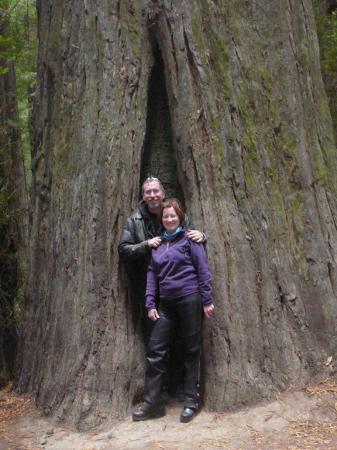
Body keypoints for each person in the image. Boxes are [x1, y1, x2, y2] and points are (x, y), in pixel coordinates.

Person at [132, 198, 214, 423]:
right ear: (162, 219)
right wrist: (150, 303)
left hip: (190, 299)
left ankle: (191, 401)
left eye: (173, 216)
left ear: (180, 218)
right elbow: (151, 275)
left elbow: (203, 270)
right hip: (165, 305)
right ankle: (153, 403)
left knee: (191, 349)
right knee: (155, 350)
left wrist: (207, 300)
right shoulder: (158, 244)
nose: (169, 219)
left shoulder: (190, 240)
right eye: (166, 216)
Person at [118, 177, 205, 342]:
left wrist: (203, 236)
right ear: (143, 196)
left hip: (179, 284)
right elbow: (124, 249)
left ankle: (180, 367)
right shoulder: (134, 220)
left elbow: (192, 240)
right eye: (148, 192)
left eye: (155, 191)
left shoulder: (175, 214)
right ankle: (159, 367)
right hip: (149, 286)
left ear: (163, 193)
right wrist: (146, 244)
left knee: (182, 334)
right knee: (156, 334)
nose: (152, 195)